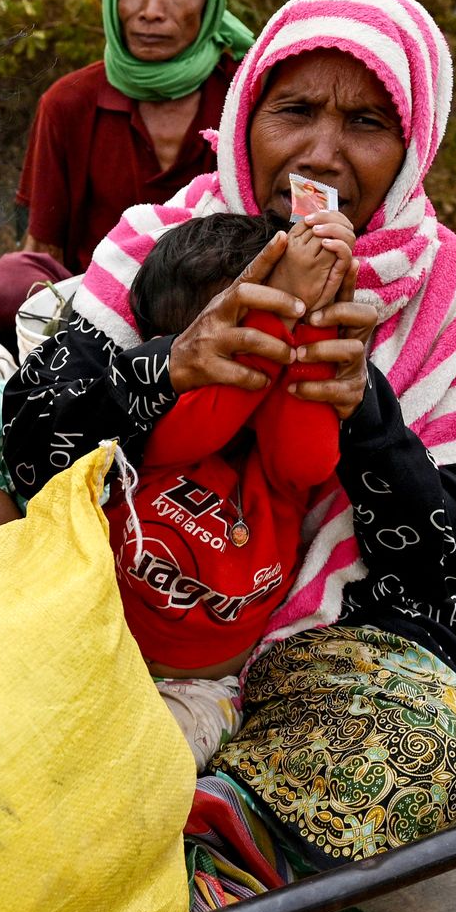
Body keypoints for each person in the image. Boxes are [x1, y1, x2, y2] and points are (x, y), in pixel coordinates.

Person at [3, 0, 456, 866]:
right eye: (296, 110)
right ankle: (176, 829)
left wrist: (364, 411)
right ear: (245, 116)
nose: (322, 153)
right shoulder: (161, 236)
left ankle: (191, 829)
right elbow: (31, 448)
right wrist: (169, 368)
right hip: (118, 604)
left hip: (328, 647)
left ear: (413, 141)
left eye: (366, 123)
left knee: (415, 752)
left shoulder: (453, 293)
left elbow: (453, 553)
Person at [109, 210, 355, 766]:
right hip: (91, 651)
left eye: (268, 326)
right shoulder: (155, 435)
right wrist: (277, 311)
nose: (252, 350)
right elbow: (214, 410)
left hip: (197, 694)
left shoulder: (276, 462)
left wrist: (312, 311)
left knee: (143, 767)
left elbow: (310, 455)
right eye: (236, 332)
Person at [0, 0, 254, 353]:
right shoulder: (68, 104)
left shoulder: (246, 99)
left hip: (217, 315)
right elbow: (42, 250)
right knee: (7, 284)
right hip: (90, 315)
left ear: (210, 0)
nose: (151, 9)